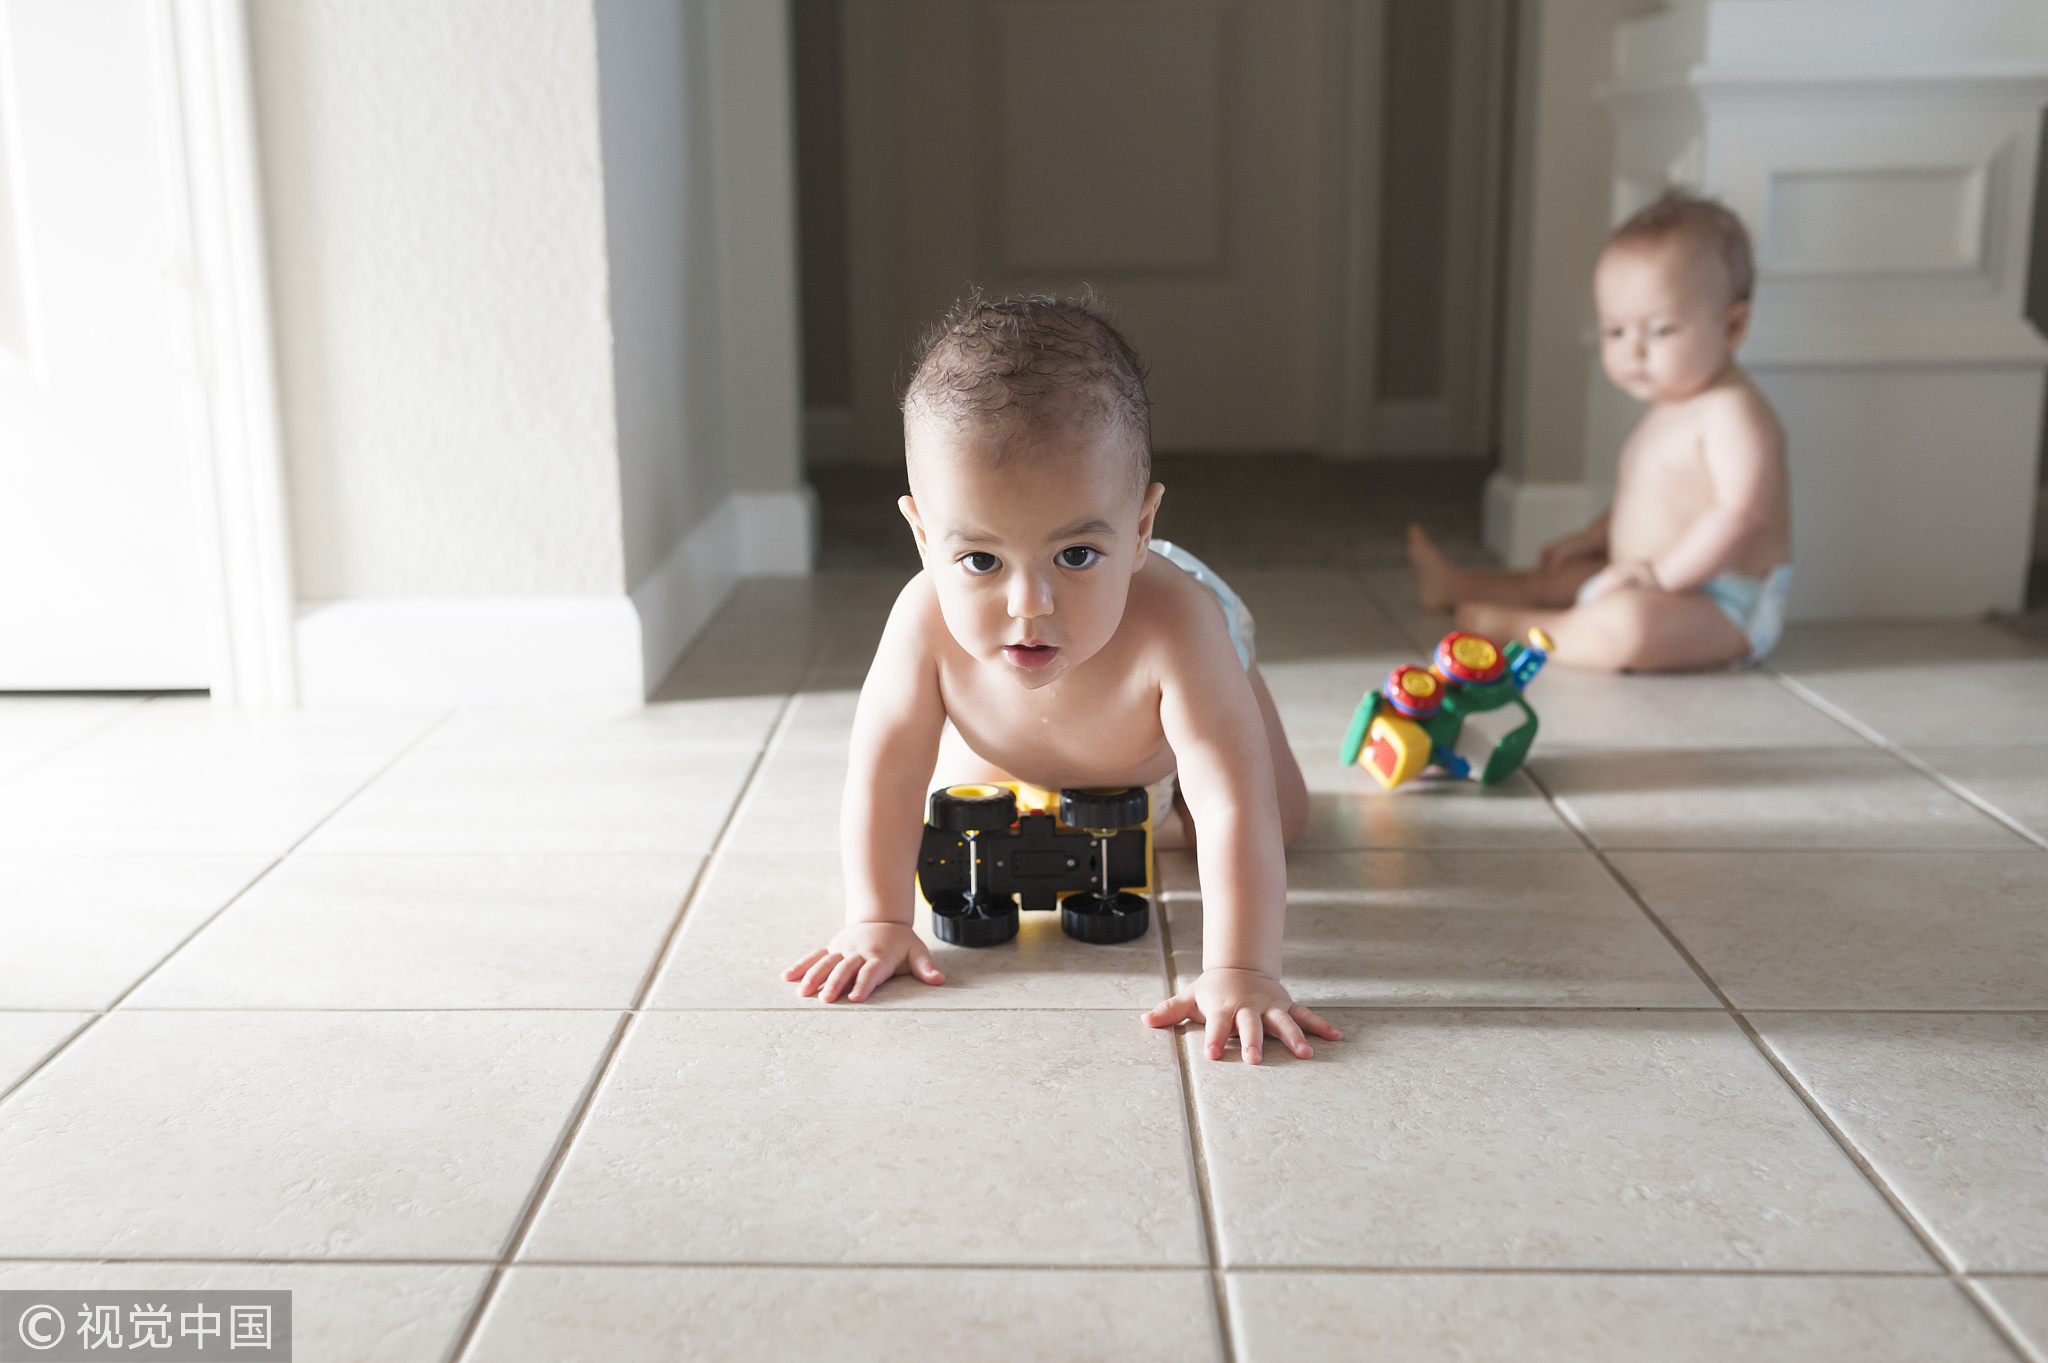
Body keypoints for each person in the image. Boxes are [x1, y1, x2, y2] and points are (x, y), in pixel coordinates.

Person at [783, 293, 1337, 1065]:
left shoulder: (1179, 626)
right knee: (973, 798)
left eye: (1075, 554)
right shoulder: (923, 622)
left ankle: (1142, 808)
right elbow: (886, 770)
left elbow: (1234, 800)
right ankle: (1069, 787)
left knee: (1280, 813)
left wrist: (1242, 970)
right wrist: (878, 915)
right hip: (1017, 731)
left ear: (1140, 531)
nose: (1029, 605)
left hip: (1178, 709)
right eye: (980, 560)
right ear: (921, 537)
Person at [1408, 190, 1792, 671]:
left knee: (1630, 627)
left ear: (1732, 327)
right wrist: (1593, 539)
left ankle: (1515, 629)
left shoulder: (1733, 413)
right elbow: (1648, 499)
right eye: (1615, 331)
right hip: (1647, 577)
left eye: (1659, 331)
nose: (1633, 350)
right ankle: (1459, 587)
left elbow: (1742, 514)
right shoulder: (1669, 405)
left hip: (1721, 604)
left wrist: (1659, 576)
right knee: (1558, 578)